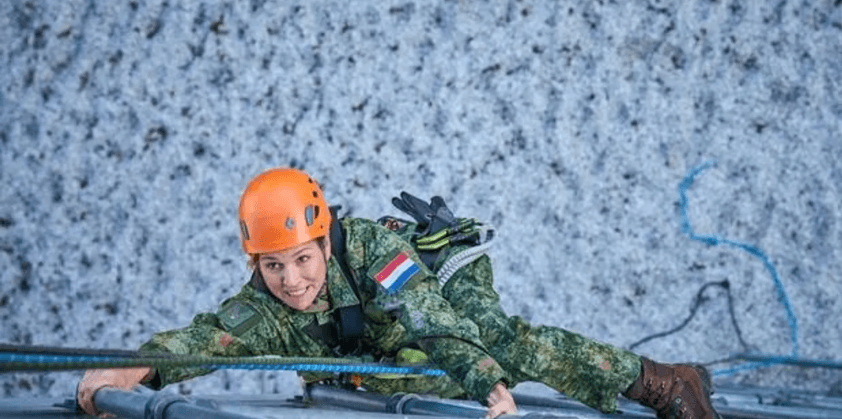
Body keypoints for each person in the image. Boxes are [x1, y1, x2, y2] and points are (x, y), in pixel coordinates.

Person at [78, 167, 722, 419]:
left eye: (302, 259)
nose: (292, 281)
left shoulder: (365, 251)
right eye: (272, 267)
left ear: (324, 240)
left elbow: (428, 314)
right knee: (375, 386)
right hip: (385, 342)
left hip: (438, 279)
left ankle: (664, 381)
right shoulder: (270, 303)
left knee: (491, 344)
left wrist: (484, 381)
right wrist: (132, 372)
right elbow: (202, 340)